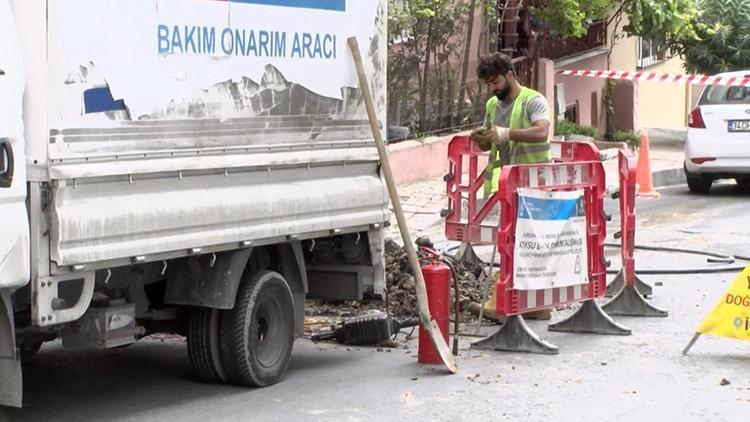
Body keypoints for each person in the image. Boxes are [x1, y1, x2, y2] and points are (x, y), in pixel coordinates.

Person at [470, 52, 552, 321]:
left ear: (510, 75)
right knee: (512, 243)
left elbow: (541, 132)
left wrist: (507, 133)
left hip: (535, 185)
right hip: (507, 187)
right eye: (488, 84)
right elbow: (491, 141)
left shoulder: (533, 100)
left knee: (532, 245)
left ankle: (529, 305)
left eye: (495, 81)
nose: (492, 89)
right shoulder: (493, 105)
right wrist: (482, 139)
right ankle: (522, 304)